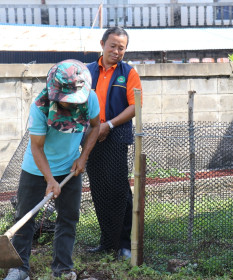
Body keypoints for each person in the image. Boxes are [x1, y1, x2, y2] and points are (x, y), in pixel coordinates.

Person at [4, 59, 100, 280]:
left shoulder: (89, 99)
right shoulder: (40, 106)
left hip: (70, 168)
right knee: (26, 218)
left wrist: (83, 157)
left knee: (68, 218)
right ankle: (19, 269)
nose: (69, 103)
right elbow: (37, 148)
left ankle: (63, 268)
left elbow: (96, 127)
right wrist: (49, 179)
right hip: (36, 169)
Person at [86, 26, 142, 259]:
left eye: (122, 48)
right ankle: (107, 242)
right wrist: (93, 128)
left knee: (119, 191)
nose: (117, 51)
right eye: (113, 45)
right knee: (99, 190)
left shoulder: (128, 73)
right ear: (102, 44)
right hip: (90, 136)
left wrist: (108, 125)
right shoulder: (87, 71)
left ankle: (125, 244)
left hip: (116, 135)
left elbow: (135, 106)